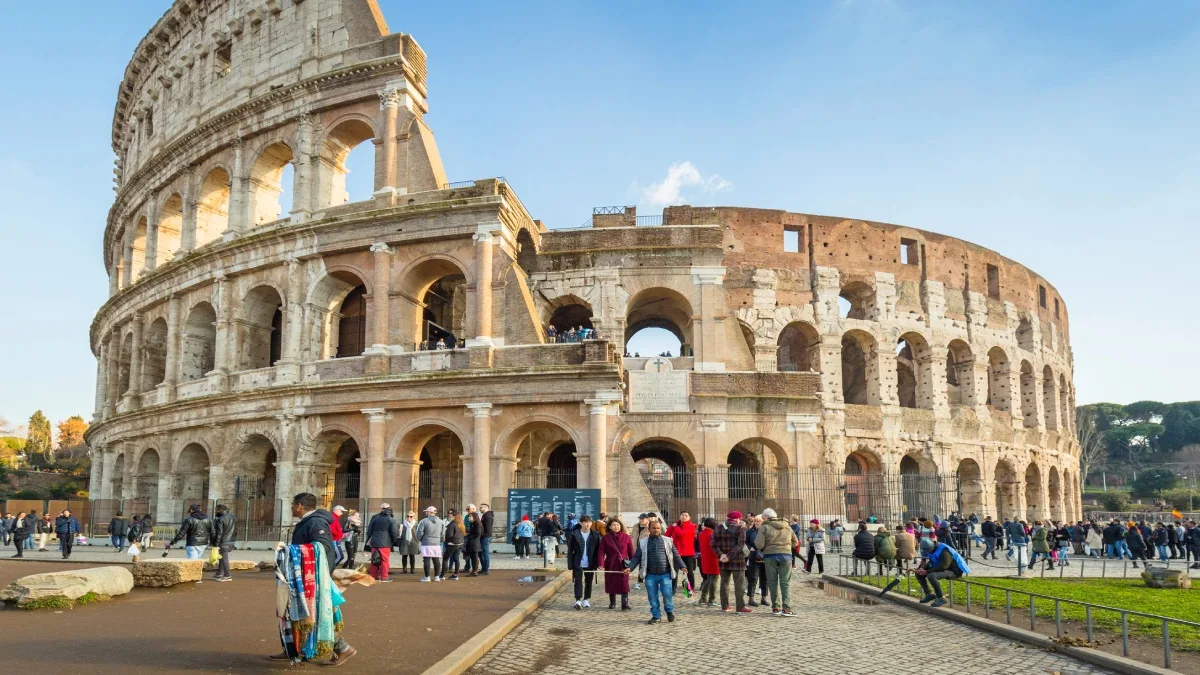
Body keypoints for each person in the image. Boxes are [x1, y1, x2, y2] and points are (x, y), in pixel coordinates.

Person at [268, 493, 356, 667]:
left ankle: (343, 648)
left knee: (313, 615)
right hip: (301, 575)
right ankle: (293, 649)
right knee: (293, 612)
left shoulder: (315, 522)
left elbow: (323, 547)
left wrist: (291, 550)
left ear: (300, 506)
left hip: (312, 578)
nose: (292, 507)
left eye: (293, 504)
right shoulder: (308, 521)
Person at [624, 518, 687, 624]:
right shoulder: (643, 542)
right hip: (650, 575)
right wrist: (630, 568)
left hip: (665, 574)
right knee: (652, 597)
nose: (656, 530)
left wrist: (682, 566)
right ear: (649, 529)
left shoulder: (668, 540)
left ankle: (669, 611)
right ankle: (656, 615)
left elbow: (676, 555)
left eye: (658, 528)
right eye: (653, 528)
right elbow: (636, 557)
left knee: (667, 595)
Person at [754, 508, 798, 617]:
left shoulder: (764, 527)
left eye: (763, 517)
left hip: (770, 556)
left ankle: (775, 607)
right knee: (785, 582)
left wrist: (767, 548)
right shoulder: (787, 526)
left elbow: (759, 544)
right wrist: (787, 548)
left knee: (772, 582)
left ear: (767, 517)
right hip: (786, 556)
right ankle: (786, 609)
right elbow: (795, 542)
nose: (763, 519)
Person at [711, 511, 750, 613]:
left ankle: (725, 606)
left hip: (723, 560)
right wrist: (729, 556)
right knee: (739, 584)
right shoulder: (740, 528)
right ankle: (740, 607)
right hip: (737, 560)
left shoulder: (718, 527)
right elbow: (740, 545)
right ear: (738, 519)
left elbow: (713, 544)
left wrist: (721, 555)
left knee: (724, 583)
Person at [916, 537, 970, 608]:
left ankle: (941, 598)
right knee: (918, 574)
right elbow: (932, 560)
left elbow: (944, 566)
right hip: (944, 568)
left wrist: (926, 571)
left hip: (954, 571)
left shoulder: (944, 550)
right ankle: (929, 594)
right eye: (926, 551)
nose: (928, 552)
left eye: (928, 550)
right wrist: (922, 568)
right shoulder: (932, 549)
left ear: (932, 546)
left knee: (931, 576)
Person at [598, 517, 634, 610]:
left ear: (621, 526)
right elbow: (601, 551)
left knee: (624, 583)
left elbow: (631, 552)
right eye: (614, 525)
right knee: (611, 582)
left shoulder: (626, 537)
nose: (616, 527)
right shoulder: (606, 538)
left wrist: (632, 565)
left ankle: (625, 603)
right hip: (611, 563)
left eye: (618, 525)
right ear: (610, 527)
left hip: (623, 564)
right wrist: (601, 563)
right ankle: (612, 602)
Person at [567, 515, 600, 609]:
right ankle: (577, 600)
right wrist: (570, 564)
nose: (588, 524)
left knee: (589, 581)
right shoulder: (575, 534)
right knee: (578, 581)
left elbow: (598, 550)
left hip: (590, 562)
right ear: (581, 523)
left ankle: (586, 599)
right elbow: (570, 550)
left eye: (589, 522)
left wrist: (598, 563)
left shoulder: (595, 534)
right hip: (578, 561)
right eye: (585, 522)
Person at [365, 503, 399, 582]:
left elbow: (369, 531)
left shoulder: (375, 519)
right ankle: (384, 577)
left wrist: (368, 540)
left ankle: (373, 576)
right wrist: (393, 541)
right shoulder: (392, 520)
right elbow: (394, 533)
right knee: (384, 560)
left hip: (374, 541)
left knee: (374, 559)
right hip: (385, 542)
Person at [664, 512, 697, 593]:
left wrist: (675, 527)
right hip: (676, 552)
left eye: (686, 515)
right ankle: (673, 588)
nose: (684, 517)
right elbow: (666, 535)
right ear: (680, 516)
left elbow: (681, 534)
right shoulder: (674, 525)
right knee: (674, 571)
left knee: (689, 571)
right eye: (682, 515)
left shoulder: (692, 526)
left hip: (688, 552)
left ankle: (690, 588)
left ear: (689, 517)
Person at [415, 506, 446, 581]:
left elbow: (419, 532)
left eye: (426, 511)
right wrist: (440, 540)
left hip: (426, 542)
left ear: (429, 512)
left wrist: (421, 539)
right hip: (436, 543)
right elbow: (443, 533)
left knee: (426, 559)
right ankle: (437, 576)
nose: (426, 513)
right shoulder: (441, 521)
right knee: (436, 560)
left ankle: (427, 577)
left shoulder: (423, 521)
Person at [744, 515, 767, 606]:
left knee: (765, 579)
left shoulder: (766, 531)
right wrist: (750, 548)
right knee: (753, 578)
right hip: (753, 557)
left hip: (765, 557)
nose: (756, 523)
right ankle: (751, 599)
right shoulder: (749, 532)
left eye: (759, 521)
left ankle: (764, 598)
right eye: (755, 521)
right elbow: (744, 542)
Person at [212, 503, 238, 582]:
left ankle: (227, 575)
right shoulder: (233, 518)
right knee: (222, 557)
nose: (215, 512)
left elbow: (219, 533)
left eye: (216, 510)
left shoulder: (220, 520)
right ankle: (220, 573)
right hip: (231, 540)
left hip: (224, 541)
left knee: (224, 558)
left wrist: (216, 544)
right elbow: (236, 530)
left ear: (220, 510)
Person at [443, 510, 466, 581]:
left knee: (445, 558)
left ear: (454, 516)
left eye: (451, 515)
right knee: (456, 558)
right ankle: (455, 575)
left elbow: (449, 535)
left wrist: (446, 542)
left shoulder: (452, 524)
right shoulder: (461, 524)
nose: (449, 516)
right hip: (460, 543)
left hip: (452, 543)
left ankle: (441, 575)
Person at [464, 511, 483, 577]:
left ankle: (475, 571)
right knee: (473, 557)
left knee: (474, 557)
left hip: (475, 543)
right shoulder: (472, 523)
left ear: (474, 517)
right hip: (472, 542)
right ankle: (474, 570)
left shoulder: (477, 524)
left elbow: (478, 534)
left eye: (470, 516)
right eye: (469, 516)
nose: (469, 517)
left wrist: (469, 535)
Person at [479, 504, 494, 575]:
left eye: (481, 507)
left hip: (485, 537)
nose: (480, 508)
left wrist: (483, 535)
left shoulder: (487, 516)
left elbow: (488, 529)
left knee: (485, 554)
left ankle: (485, 570)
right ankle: (484, 569)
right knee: (483, 553)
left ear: (486, 508)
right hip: (485, 537)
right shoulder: (485, 516)